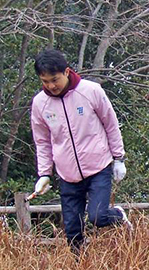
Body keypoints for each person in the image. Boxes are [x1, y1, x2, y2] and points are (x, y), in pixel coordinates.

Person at [30, 49, 130, 252]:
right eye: (45, 81)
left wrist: (119, 158)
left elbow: (111, 124)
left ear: (66, 72)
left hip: (98, 167)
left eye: (54, 79)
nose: (51, 86)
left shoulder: (91, 91)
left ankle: (119, 215)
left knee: (98, 217)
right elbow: (42, 142)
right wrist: (44, 174)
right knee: (73, 232)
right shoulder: (40, 103)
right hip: (67, 174)